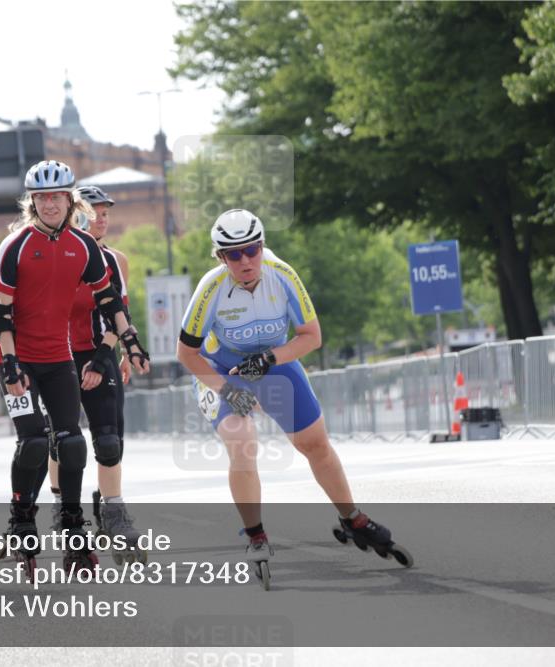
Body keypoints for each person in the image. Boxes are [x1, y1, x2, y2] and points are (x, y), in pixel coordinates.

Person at [176, 209, 412, 581]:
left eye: (251, 250)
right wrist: (229, 389)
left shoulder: (282, 275)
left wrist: (269, 358)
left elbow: (311, 336)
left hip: (272, 361)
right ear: (221, 257)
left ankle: (352, 518)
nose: (245, 260)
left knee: (316, 444)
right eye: (233, 254)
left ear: (262, 245)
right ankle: (255, 534)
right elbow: (186, 353)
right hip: (221, 369)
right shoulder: (211, 288)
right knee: (242, 441)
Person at [0, 160, 149, 573]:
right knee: (35, 443)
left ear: (68, 199)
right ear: (32, 202)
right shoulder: (15, 246)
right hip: (16, 358)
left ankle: (74, 533)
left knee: (72, 443)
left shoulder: (85, 246)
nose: (49, 204)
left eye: (56, 196)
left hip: (58, 358)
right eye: (41, 197)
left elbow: (109, 300)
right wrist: (9, 364)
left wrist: (129, 342)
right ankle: (21, 518)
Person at [44, 185, 142, 561]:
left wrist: (112, 354)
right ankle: (63, 512)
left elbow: (119, 313)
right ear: (76, 214)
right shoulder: (55, 254)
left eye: (106, 212)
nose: (102, 218)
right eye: (94, 212)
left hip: (99, 350)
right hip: (56, 354)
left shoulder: (115, 260)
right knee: (63, 439)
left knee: (110, 440)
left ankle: (113, 515)